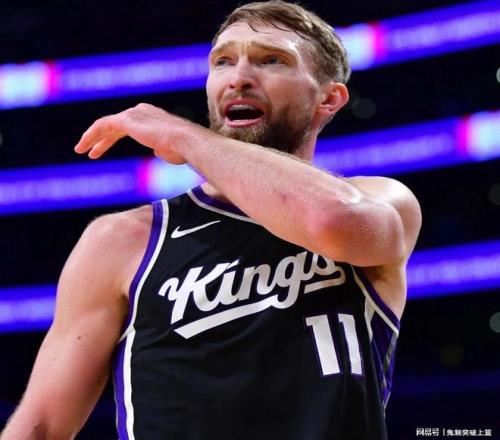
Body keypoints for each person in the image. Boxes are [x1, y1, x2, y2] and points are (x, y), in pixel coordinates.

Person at [1, 1, 421, 439]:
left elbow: (334, 222)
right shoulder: (123, 238)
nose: (239, 77)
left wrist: (183, 135)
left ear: (328, 99)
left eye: (271, 60)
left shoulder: (380, 199)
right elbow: (41, 425)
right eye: (223, 61)